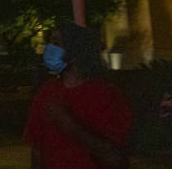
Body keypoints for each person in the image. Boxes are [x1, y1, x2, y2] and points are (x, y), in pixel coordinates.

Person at [24, 22, 132, 168]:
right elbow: (37, 149)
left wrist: (68, 124)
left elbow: (115, 158)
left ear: (75, 51)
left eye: (56, 43)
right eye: (50, 42)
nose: (49, 48)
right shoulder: (47, 91)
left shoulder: (106, 95)